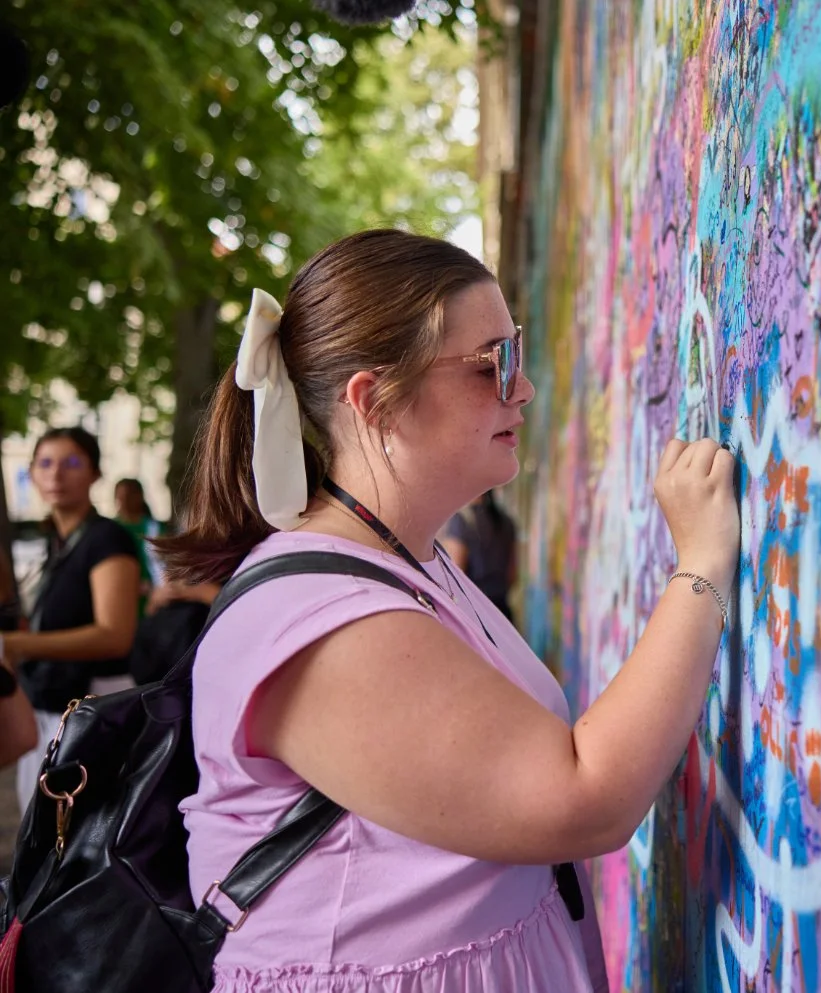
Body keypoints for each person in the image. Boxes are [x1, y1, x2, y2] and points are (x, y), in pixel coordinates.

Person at [155, 229, 739, 991]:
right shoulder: (316, 620)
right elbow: (585, 799)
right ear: (374, 400)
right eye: (492, 364)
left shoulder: (405, 556)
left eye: (515, 353)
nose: (522, 388)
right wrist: (700, 561)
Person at [1, 427, 140, 810]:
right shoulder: (55, 543)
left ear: (95, 473)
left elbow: (114, 635)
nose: (56, 474)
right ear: (31, 473)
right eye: (45, 463)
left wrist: (14, 644)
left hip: (90, 713)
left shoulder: (107, 538)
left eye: (72, 463)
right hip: (47, 710)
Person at [439, 489, 519, 620]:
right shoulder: (507, 522)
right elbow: (512, 575)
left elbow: (455, 574)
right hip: (502, 613)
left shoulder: (460, 521)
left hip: (474, 615)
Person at [113, 476, 167, 599]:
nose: (124, 501)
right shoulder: (110, 528)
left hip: (153, 595)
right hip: (119, 592)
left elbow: (164, 564)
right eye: (120, 497)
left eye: (129, 496)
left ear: (140, 497)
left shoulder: (154, 528)